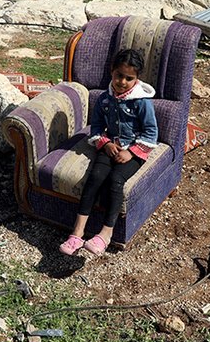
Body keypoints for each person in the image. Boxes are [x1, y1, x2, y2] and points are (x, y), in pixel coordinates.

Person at [59, 48, 158, 255]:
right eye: (119, 75)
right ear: (111, 71)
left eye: (129, 78)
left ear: (137, 79)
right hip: (110, 147)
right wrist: (105, 144)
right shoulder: (105, 99)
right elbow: (95, 126)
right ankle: (77, 233)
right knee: (95, 176)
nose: (122, 81)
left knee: (115, 180)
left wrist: (130, 152)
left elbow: (151, 132)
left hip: (134, 152)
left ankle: (105, 234)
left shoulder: (142, 102)